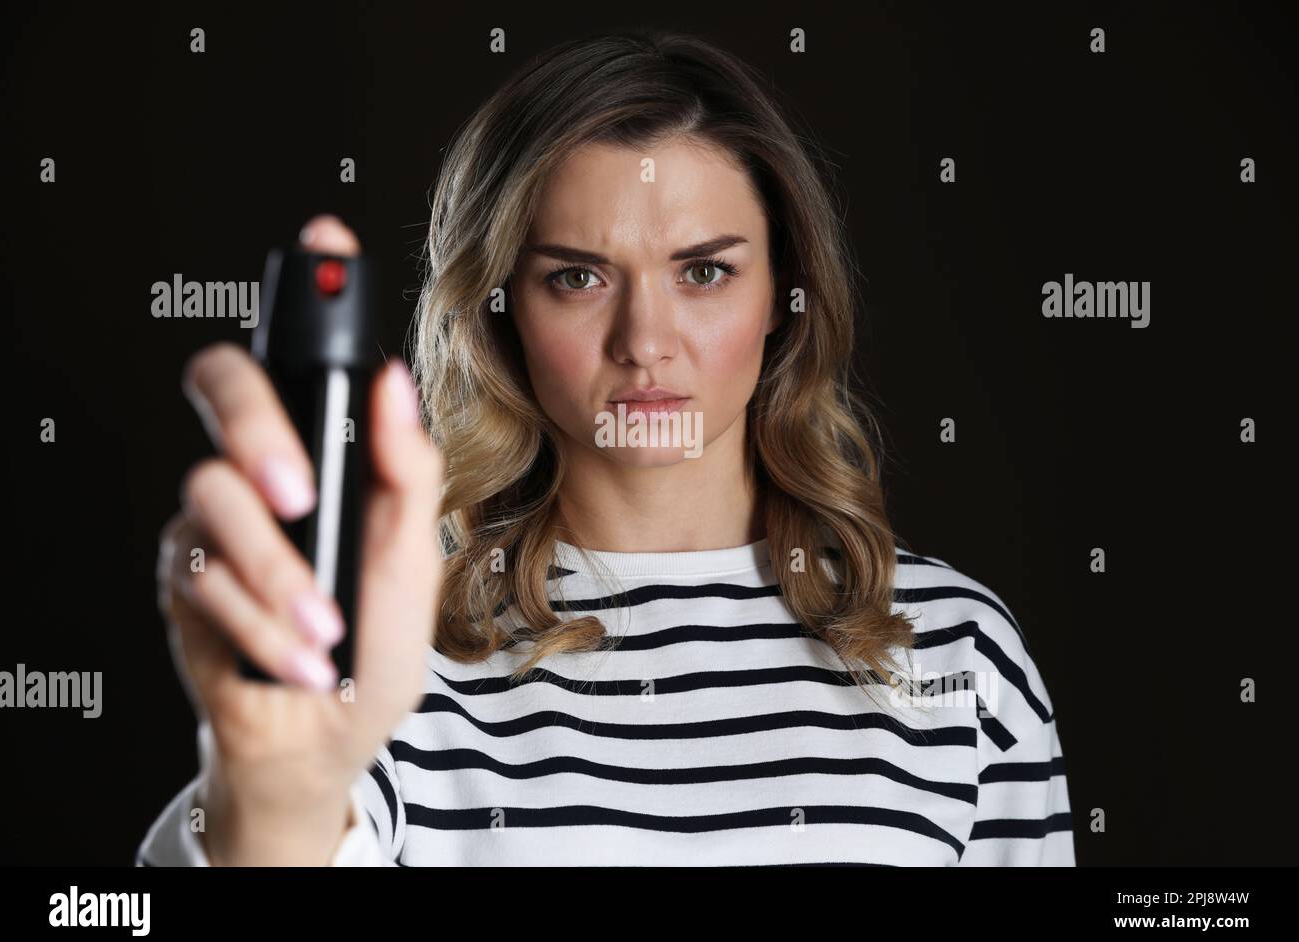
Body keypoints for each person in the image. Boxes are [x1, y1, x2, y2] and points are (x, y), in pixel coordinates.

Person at [138, 30, 1074, 866]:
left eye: (704, 271)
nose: (645, 341)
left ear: (785, 293)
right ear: (500, 310)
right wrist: (272, 803)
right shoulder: (393, 643)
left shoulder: (959, 651)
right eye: (578, 277)